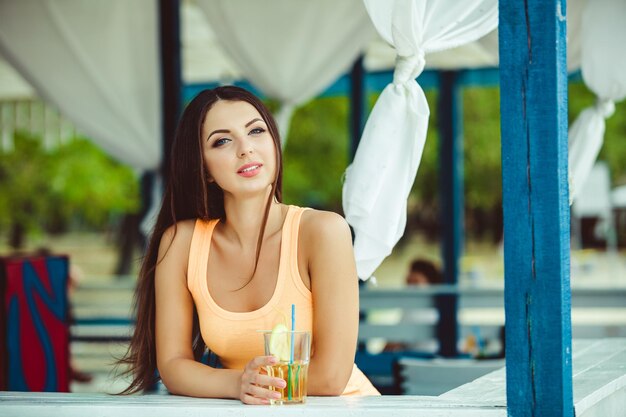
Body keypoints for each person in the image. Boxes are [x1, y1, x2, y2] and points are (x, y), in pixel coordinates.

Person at [118, 86, 379, 402]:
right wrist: (237, 384)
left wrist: (248, 384)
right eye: (222, 141)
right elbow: (173, 365)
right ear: (204, 168)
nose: (246, 149)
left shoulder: (323, 231)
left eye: (256, 131)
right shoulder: (181, 242)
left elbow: (331, 377)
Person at [383, 258, 442, 353]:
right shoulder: (441, 309)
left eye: (415, 283)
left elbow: (390, 345)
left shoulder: (414, 311)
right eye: (408, 283)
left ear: (431, 285)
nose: (410, 288)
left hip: (416, 362)